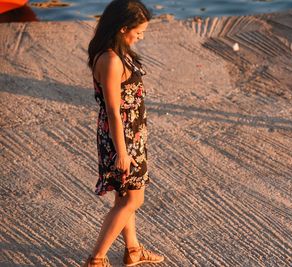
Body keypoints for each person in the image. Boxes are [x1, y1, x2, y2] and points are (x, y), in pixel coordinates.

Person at [84, 0, 164, 266]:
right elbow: (112, 111)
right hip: (122, 139)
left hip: (132, 136)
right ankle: (96, 259)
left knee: (125, 196)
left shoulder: (120, 51)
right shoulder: (110, 59)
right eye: (138, 31)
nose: (140, 36)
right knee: (133, 199)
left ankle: (132, 250)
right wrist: (122, 153)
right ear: (121, 28)